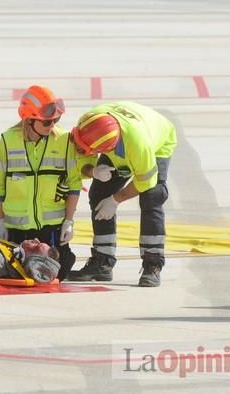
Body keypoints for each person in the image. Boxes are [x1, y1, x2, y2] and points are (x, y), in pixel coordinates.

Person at [66, 102, 177, 287]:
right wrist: (93, 170)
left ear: (107, 147)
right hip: (120, 140)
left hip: (157, 142)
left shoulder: (139, 146)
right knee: (99, 192)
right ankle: (102, 262)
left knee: (152, 197)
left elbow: (145, 180)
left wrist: (115, 199)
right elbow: (82, 154)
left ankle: (152, 264)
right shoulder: (89, 123)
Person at [0, 84, 94, 280]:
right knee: (17, 276)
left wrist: (69, 221)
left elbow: (74, 183)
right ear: (29, 120)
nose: (52, 125)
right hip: (16, 229)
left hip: (51, 229)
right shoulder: (7, 140)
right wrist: (0, 221)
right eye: (47, 122)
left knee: (57, 275)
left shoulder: (64, 140)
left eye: (56, 120)